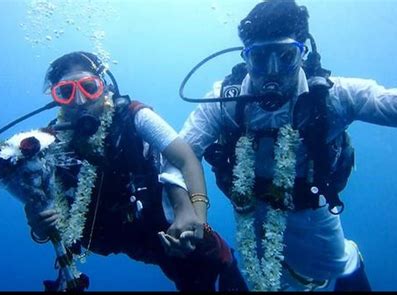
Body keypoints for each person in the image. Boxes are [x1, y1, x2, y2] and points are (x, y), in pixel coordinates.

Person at [170, 0, 397, 291]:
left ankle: (352, 262)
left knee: (338, 264)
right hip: (251, 208)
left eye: (285, 56)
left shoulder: (332, 97)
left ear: (302, 52)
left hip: (311, 209)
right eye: (259, 58)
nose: (272, 72)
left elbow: (392, 103)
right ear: (246, 58)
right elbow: (177, 153)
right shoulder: (225, 101)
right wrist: (183, 210)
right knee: (271, 280)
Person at [21, 51, 248, 291]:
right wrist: (37, 228)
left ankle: (224, 260)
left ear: (105, 88)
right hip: (107, 236)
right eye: (66, 92)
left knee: (205, 259)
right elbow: (41, 205)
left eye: (89, 87)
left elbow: (185, 157)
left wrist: (198, 217)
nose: (80, 101)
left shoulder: (134, 116)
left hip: (162, 227)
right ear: (56, 100)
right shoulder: (46, 145)